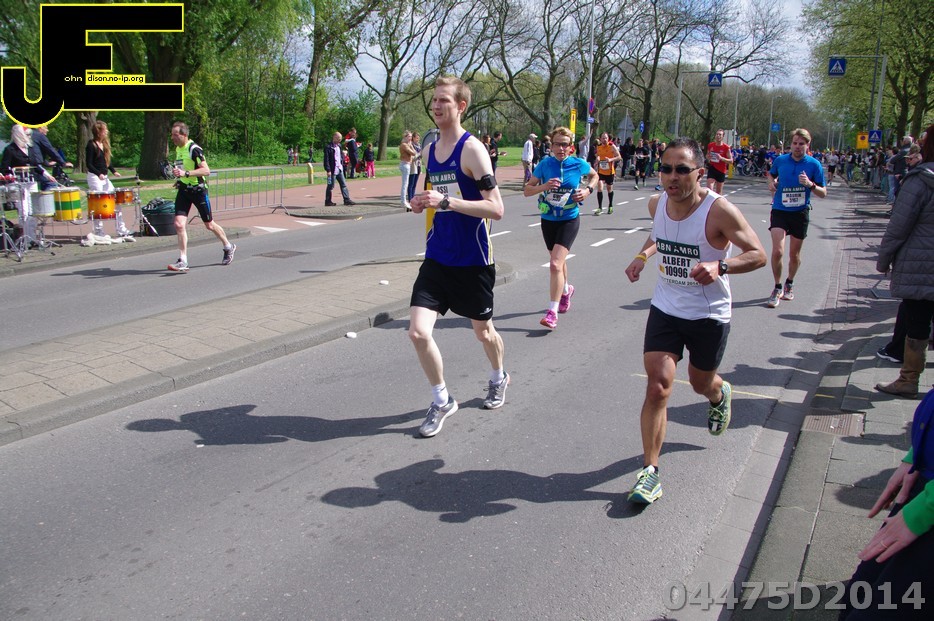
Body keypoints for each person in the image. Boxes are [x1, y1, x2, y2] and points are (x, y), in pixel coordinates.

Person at [623, 137, 766, 504]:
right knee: (658, 386)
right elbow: (658, 234)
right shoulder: (656, 203)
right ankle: (650, 473)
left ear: (700, 173)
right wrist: (642, 256)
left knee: (701, 382)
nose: (672, 176)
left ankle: (719, 393)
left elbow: (758, 254)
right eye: (666, 168)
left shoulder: (719, 211)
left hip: (708, 313)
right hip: (666, 307)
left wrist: (721, 266)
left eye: (682, 170)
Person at [407, 76, 508, 438]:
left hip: (473, 260)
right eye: (434, 100)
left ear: (461, 106)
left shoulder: (473, 150)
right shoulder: (429, 149)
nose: (436, 106)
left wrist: (447, 201)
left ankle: (498, 376)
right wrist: (420, 202)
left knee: (484, 332)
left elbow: (496, 209)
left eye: (444, 100)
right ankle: (442, 400)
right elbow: (433, 194)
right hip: (438, 257)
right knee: (418, 332)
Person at [837, 387, 934, 621]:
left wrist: (926, 508)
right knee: (860, 593)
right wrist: (917, 454)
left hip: (927, 506)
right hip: (923, 487)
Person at [874, 125, 934, 399]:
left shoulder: (920, 180)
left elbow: (899, 225)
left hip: (921, 264)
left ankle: (908, 380)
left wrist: (884, 258)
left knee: (917, 321)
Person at [524, 126, 597, 330]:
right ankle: (566, 291)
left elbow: (595, 176)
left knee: (555, 264)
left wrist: (587, 191)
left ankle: (552, 313)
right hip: (548, 219)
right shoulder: (544, 165)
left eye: (565, 145)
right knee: (558, 261)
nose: (561, 148)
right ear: (552, 146)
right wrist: (544, 186)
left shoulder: (578, 164)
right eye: (557, 144)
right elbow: (527, 190)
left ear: (571, 147)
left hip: (569, 218)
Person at [765, 128, 827, 308]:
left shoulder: (814, 165)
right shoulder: (781, 160)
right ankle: (777, 287)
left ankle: (789, 282)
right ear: (790, 144)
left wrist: (810, 184)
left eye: (801, 144)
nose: (797, 147)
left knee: (794, 254)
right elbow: (771, 174)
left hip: (800, 212)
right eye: (794, 143)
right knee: (778, 251)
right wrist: (771, 183)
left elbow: (823, 193)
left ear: (808, 145)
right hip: (780, 210)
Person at [166, 122, 236, 272]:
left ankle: (228, 246)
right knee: (179, 224)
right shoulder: (178, 149)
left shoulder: (194, 149)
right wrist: (179, 179)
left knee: (209, 224)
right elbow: (183, 168)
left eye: (175, 135)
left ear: (184, 135)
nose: (172, 138)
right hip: (184, 191)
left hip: (199, 191)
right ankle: (183, 260)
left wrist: (186, 174)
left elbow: (206, 170)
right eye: (171, 135)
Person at [85, 120, 121, 192]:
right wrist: (99, 174)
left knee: (112, 193)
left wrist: (114, 171)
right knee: (99, 194)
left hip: (104, 176)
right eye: (105, 130)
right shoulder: (91, 145)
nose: (107, 131)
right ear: (98, 132)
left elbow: (107, 161)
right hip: (94, 176)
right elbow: (89, 164)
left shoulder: (104, 144)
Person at [323, 131, 355, 207]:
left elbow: (340, 156)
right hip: (332, 170)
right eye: (338, 138)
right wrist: (328, 170)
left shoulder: (339, 146)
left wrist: (343, 163)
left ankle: (346, 199)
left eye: (340, 139)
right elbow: (326, 160)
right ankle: (328, 201)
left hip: (339, 169)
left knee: (343, 184)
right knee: (330, 186)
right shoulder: (328, 147)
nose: (340, 140)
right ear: (334, 137)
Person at [592, 132, 621, 216]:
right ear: (600, 139)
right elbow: (597, 155)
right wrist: (597, 159)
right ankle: (600, 207)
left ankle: (610, 205)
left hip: (609, 171)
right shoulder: (598, 147)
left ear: (608, 139)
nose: (604, 140)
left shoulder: (612, 146)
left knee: (609, 189)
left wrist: (611, 159)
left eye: (606, 138)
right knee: (600, 188)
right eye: (603, 138)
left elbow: (619, 157)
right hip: (601, 171)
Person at [705, 129, 733, 194]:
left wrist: (721, 158)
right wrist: (708, 157)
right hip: (712, 168)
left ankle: (717, 200)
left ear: (723, 136)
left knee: (718, 193)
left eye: (720, 134)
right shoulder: (710, 145)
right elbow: (707, 155)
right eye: (717, 134)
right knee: (709, 190)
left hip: (721, 171)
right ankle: (710, 200)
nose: (718, 136)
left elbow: (731, 161)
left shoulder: (726, 147)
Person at [399, 130, 417, 211]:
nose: (410, 138)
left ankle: (403, 200)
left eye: (411, 136)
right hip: (405, 164)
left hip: (407, 164)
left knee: (405, 184)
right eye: (409, 136)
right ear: (405, 137)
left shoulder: (407, 144)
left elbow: (414, 153)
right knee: (405, 184)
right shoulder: (404, 145)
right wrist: (411, 146)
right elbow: (413, 153)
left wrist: (411, 145)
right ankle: (403, 201)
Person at [407, 132, 422, 202]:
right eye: (416, 138)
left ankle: (413, 198)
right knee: (411, 183)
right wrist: (419, 154)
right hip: (413, 166)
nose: (418, 140)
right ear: (413, 138)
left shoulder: (419, 146)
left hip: (418, 165)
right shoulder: (411, 146)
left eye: (418, 138)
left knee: (415, 184)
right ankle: (410, 199)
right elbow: (413, 157)